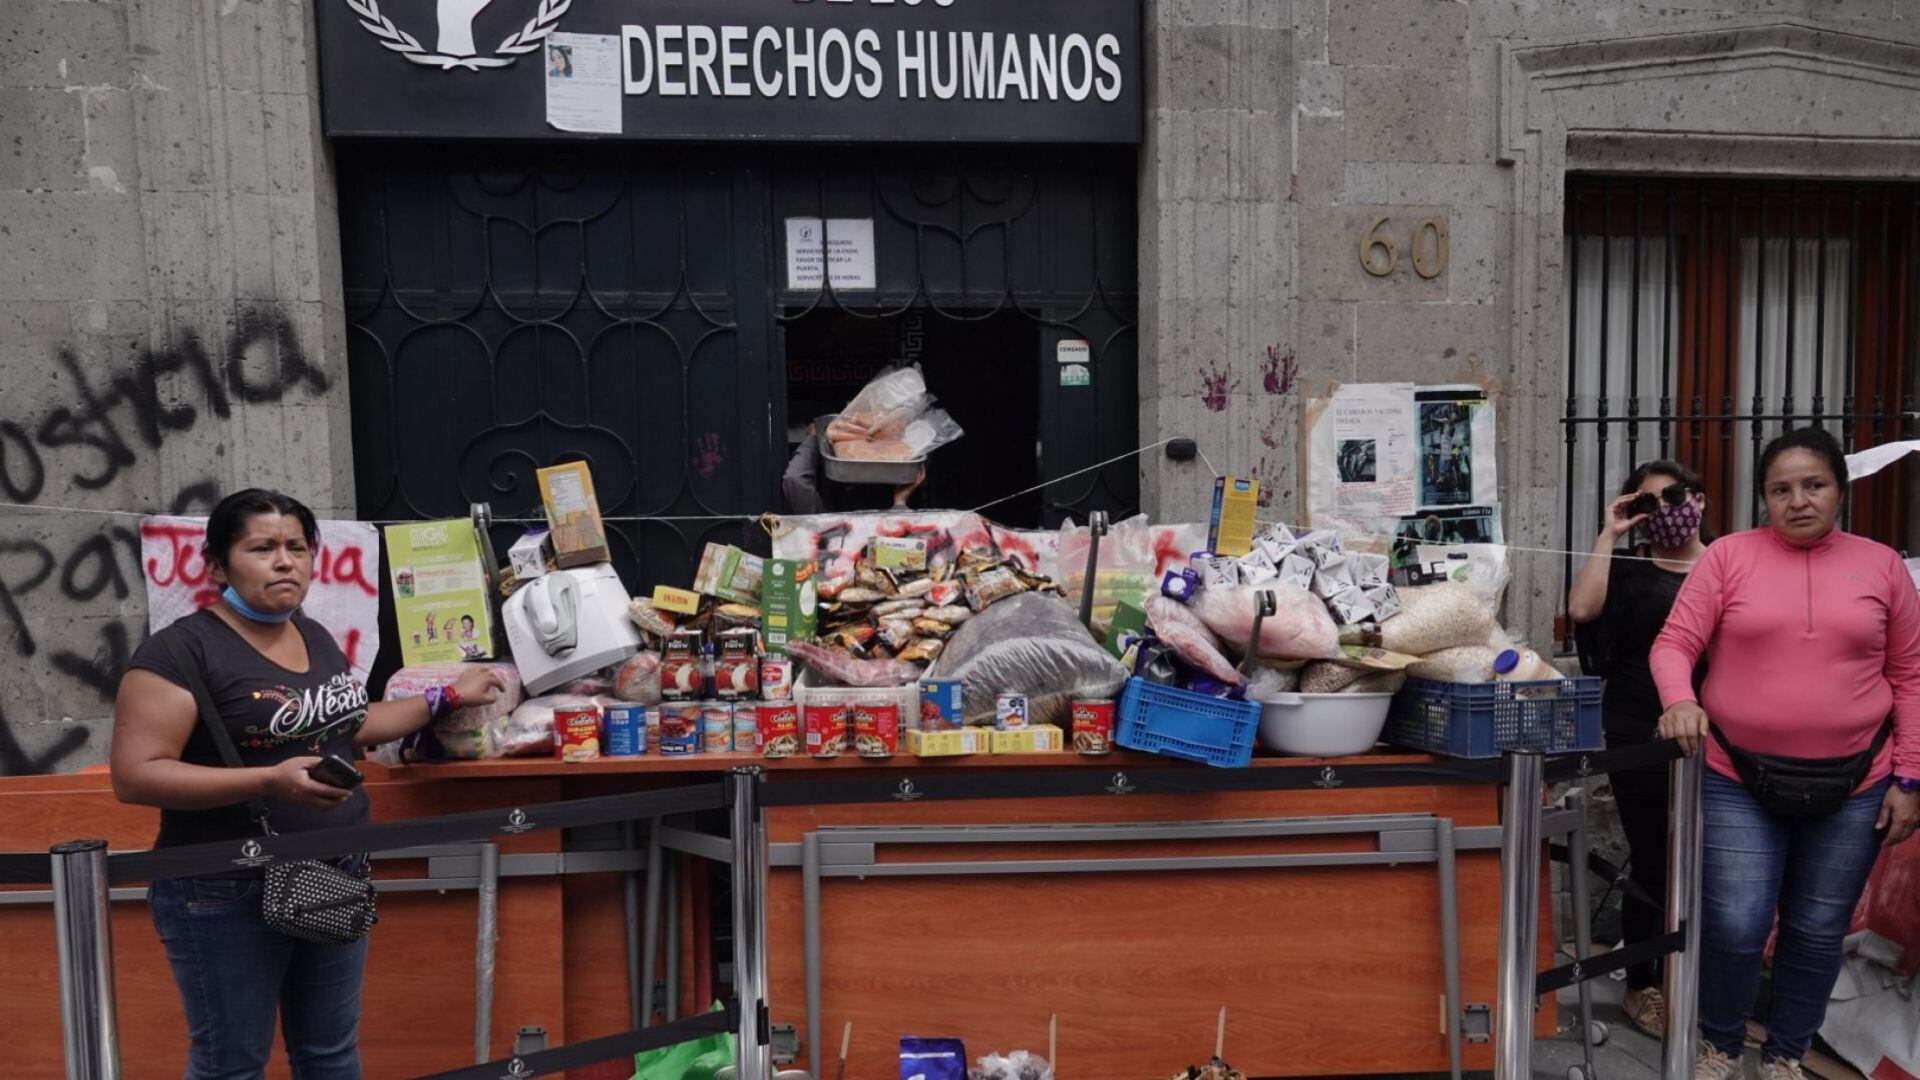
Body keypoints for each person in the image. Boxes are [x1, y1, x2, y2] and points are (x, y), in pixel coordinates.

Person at [109, 489, 505, 1080]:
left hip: (331, 870)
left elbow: (353, 722)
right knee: (231, 1065)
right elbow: (135, 775)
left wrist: (446, 696)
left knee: (329, 1054)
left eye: (297, 547)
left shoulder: (312, 634)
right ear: (218, 565)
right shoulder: (178, 654)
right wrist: (269, 779)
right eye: (262, 547)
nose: (284, 561)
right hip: (225, 889)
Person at [1651, 428, 1920, 1080]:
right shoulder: (1727, 559)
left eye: (1814, 485)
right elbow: (1673, 645)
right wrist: (1678, 699)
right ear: (1764, 498)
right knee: (1738, 924)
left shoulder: (1882, 565)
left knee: (1816, 929)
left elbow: (1910, 675)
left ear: (1839, 490)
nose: (1799, 501)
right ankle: (1719, 1041)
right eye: (1781, 489)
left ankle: (1786, 1055)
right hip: (1735, 774)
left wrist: (1909, 776)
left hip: (1857, 784)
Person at [1568, 460, 1711, 1038]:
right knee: (1654, 854)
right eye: (1647, 502)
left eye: (1672, 497)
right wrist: (1609, 533)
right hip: (1637, 727)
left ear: (1698, 500)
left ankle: (1703, 976)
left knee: (1712, 859)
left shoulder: (1727, 563)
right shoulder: (1627, 569)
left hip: (1718, 728)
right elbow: (1581, 611)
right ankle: (1641, 984)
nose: (1665, 510)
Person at [782, 418, 925, 515]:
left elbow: (795, 479)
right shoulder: (825, 526)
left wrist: (814, 437)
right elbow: (794, 480)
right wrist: (900, 501)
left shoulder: (824, 527)